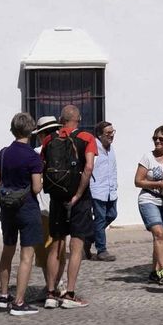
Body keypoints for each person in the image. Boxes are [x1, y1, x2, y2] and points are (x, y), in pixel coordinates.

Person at [40, 104, 97, 309]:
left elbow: (43, 167)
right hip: (79, 199)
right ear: (78, 119)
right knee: (76, 246)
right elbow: (89, 167)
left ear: (60, 120)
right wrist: (78, 195)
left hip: (57, 198)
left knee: (56, 245)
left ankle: (50, 293)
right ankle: (69, 294)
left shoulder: (49, 140)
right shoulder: (87, 138)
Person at [0, 112, 45, 315]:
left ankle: (3, 296)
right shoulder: (32, 156)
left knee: (7, 250)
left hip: (7, 208)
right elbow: (36, 188)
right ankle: (19, 302)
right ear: (31, 131)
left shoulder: (3, 153)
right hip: (27, 208)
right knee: (26, 255)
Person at [134, 124, 163, 285]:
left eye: (161, 139)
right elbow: (138, 181)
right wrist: (157, 184)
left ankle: (154, 272)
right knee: (159, 234)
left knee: (162, 238)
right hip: (149, 199)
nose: (157, 141)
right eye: (155, 138)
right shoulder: (147, 157)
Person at [87, 120, 119, 261]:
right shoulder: (93, 148)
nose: (111, 135)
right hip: (97, 190)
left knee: (112, 214)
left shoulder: (111, 149)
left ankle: (89, 237)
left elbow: (113, 168)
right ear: (100, 135)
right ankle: (101, 250)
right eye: (108, 133)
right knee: (100, 219)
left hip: (111, 190)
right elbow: (88, 168)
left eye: (113, 132)